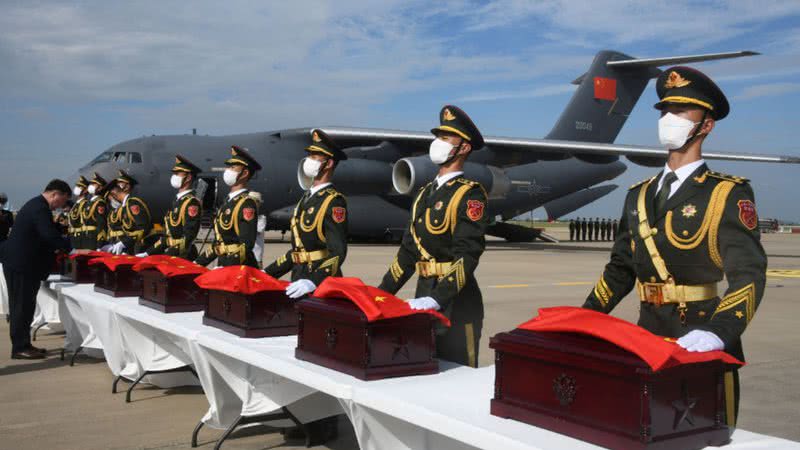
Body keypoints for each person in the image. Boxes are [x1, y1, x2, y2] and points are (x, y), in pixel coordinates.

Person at [582, 66, 766, 429]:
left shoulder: (725, 193)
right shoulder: (639, 195)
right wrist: (586, 318)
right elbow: (620, 269)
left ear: (706, 126)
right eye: (665, 111)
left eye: (682, 112)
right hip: (645, 338)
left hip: (700, 342)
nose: (670, 119)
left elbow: (747, 274)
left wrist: (720, 331)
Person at [378, 105, 489, 367]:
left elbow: (468, 255)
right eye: (437, 137)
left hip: (457, 305)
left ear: (463, 148)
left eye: (446, 138)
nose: (437, 143)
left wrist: (437, 298)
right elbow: (407, 255)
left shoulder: (470, 194)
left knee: (458, 379)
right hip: (422, 297)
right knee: (426, 369)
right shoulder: (424, 194)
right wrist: (379, 294)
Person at [264, 129, 348, 299]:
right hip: (299, 278)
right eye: (309, 155)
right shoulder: (306, 198)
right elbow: (297, 251)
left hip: (321, 284)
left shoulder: (333, 201)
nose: (308, 161)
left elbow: (338, 252)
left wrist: (313, 281)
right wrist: (267, 273)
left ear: (329, 163)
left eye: (314, 156)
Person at [0, 180, 73, 359]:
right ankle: (19, 347)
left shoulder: (37, 205)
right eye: (62, 201)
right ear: (55, 194)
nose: (61, 206)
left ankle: (24, 344)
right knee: (21, 306)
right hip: (21, 264)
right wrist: (70, 248)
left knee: (26, 305)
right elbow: (48, 235)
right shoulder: (39, 208)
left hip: (24, 264)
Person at [196, 146, 261, 268]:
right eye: (229, 167)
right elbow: (219, 244)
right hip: (226, 266)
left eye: (232, 167)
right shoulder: (228, 202)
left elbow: (245, 245)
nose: (228, 171)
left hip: (239, 268)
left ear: (245, 173)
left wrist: (227, 267)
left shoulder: (246, 203)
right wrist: (198, 263)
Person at [140, 155, 203, 260]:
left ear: (188, 178)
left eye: (177, 174)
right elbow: (168, 238)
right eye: (174, 173)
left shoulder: (191, 203)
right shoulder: (177, 202)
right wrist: (147, 253)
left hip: (184, 255)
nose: (174, 176)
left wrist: (167, 256)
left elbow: (188, 237)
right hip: (173, 253)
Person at [106, 170, 153, 255]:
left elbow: (142, 228)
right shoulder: (124, 205)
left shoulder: (133, 203)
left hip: (138, 248)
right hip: (129, 248)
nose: (111, 198)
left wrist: (124, 243)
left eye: (112, 195)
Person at [82, 173, 109, 251]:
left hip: (94, 240)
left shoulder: (100, 203)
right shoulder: (90, 202)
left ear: (100, 188)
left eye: (94, 184)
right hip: (87, 239)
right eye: (91, 183)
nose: (91, 185)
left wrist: (100, 244)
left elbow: (101, 224)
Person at [67, 176, 89, 249]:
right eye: (77, 186)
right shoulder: (76, 204)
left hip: (81, 237)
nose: (77, 188)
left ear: (85, 190)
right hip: (73, 236)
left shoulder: (85, 204)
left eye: (80, 186)